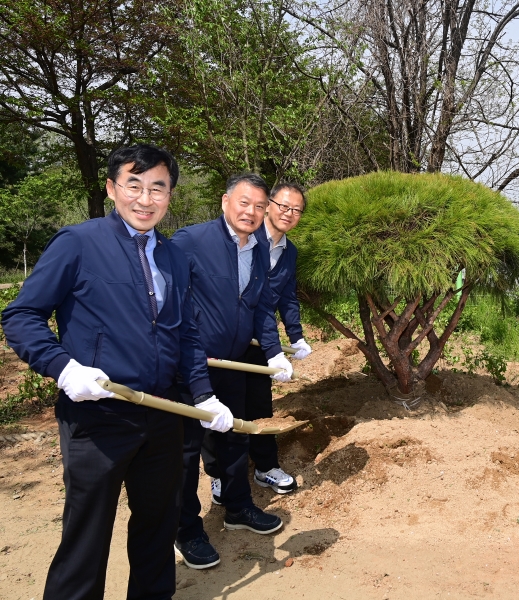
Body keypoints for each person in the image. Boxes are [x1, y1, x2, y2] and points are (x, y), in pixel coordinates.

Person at [0, 145, 233, 599]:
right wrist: (63, 368)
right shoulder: (79, 243)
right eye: (134, 185)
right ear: (112, 189)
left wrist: (204, 397)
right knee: (86, 536)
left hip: (163, 412)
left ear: (170, 195)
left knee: (156, 527)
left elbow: (185, 335)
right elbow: (21, 315)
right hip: (97, 415)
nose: (145, 199)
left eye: (158, 188)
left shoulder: (173, 257)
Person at [171, 173, 294, 570]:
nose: (252, 212)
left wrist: (273, 352)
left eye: (260, 206)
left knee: (234, 439)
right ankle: (187, 530)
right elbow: (166, 300)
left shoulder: (258, 248)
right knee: (186, 453)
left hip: (232, 362)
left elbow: (258, 307)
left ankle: (239, 507)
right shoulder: (191, 241)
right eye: (245, 203)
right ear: (226, 202)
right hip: (190, 364)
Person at [207, 182, 312, 503]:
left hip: (260, 342)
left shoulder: (288, 251)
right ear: (269, 205)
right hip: (225, 339)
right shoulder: (246, 239)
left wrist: (295, 336)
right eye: (283, 206)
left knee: (260, 404)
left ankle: (265, 466)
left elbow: (284, 297)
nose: (288, 213)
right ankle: (219, 475)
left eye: (295, 210)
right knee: (219, 406)